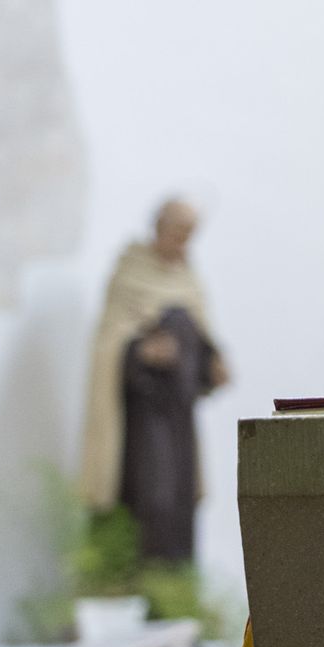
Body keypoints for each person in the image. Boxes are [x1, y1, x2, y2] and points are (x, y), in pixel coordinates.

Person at [78, 197, 228, 561]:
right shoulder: (130, 273)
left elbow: (202, 337)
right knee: (152, 498)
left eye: (189, 235)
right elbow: (110, 344)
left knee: (179, 501)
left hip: (180, 416)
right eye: (178, 232)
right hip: (143, 420)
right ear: (159, 227)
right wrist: (140, 352)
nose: (183, 243)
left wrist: (213, 362)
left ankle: (174, 585)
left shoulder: (187, 278)